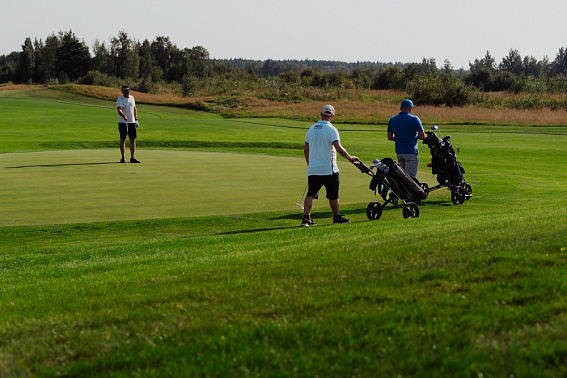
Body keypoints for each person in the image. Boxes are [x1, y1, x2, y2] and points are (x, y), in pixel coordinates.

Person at [301, 105, 358, 227]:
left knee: (311, 194)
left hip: (314, 169)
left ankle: (306, 218)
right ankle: (336, 217)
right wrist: (349, 158)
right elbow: (338, 148)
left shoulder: (311, 129)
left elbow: (306, 150)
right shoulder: (332, 129)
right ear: (332, 116)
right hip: (329, 169)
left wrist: (309, 165)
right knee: (333, 195)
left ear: (320, 114)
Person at [386, 99, 425, 178]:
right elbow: (422, 136)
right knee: (411, 179)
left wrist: (400, 138)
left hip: (399, 151)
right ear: (411, 108)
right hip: (411, 151)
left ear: (400, 108)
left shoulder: (392, 119)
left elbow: (389, 137)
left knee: (402, 177)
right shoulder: (415, 119)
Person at [117, 85, 140, 163]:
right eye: (124, 93)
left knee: (132, 139)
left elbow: (134, 109)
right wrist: (123, 115)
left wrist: (136, 119)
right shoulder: (120, 100)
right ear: (122, 92)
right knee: (123, 139)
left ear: (129, 91)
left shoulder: (132, 98)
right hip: (123, 122)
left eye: (127, 93)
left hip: (132, 122)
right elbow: (119, 110)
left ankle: (132, 157)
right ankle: (123, 157)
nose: (126, 94)